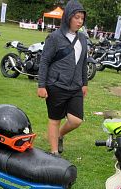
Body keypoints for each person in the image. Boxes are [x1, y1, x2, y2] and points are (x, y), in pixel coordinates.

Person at [37, 0, 88, 156]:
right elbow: (45, 61)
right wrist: (41, 85)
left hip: (75, 87)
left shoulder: (83, 39)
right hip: (56, 85)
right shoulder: (55, 37)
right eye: (76, 17)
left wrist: (84, 83)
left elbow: (84, 62)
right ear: (68, 17)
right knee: (54, 119)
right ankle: (54, 153)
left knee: (76, 120)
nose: (80, 21)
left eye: (82, 18)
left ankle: (59, 135)